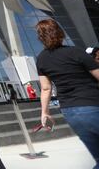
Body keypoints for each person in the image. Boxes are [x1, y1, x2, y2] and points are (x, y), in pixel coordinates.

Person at [36, 18, 99, 168]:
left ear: (41, 38)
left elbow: (46, 88)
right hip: (92, 105)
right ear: (60, 33)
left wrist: (44, 113)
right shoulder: (76, 52)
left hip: (70, 111)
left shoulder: (41, 59)